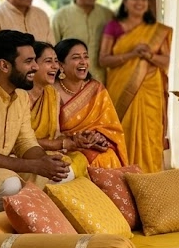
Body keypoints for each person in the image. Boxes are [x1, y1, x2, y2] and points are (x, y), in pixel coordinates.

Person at [0, 30, 71, 216]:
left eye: (34, 60)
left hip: (2, 167)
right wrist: (35, 166)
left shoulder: (20, 95)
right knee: (10, 185)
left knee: (64, 175)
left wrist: (45, 161)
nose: (35, 67)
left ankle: (35, 232)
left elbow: (25, 143)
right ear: (4, 65)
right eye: (28, 62)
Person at [98, 0, 171, 172]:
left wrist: (149, 55)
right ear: (125, 2)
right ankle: (124, 178)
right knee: (125, 132)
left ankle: (151, 178)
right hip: (121, 90)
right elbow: (103, 59)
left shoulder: (157, 30)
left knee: (150, 135)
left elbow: (166, 61)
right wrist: (132, 54)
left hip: (150, 91)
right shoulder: (114, 26)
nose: (140, 2)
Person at [55, 38, 129, 168]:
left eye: (86, 57)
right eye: (76, 57)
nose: (83, 62)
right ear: (61, 65)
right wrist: (75, 138)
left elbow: (111, 127)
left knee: (108, 157)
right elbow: (49, 132)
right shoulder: (51, 92)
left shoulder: (96, 89)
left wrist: (99, 136)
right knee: (91, 160)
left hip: (94, 146)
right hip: (66, 147)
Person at [27, 41, 89, 177]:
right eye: (48, 61)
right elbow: (19, 140)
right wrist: (61, 144)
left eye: (56, 61)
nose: (55, 66)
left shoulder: (52, 94)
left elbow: (55, 135)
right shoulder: (20, 95)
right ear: (33, 65)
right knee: (62, 171)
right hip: (24, 155)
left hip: (48, 152)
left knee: (80, 159)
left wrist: (74, 139)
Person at [51, 0, 114, 84]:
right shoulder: (60, 17)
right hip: (69, 87)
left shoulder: (108, 16)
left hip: (101, 84)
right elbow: (52, 54)